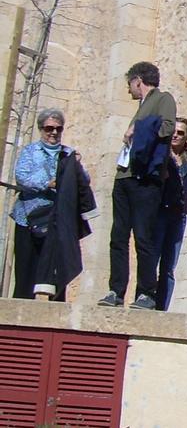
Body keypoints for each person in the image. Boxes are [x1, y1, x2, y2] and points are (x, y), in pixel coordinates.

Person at [100, 61, 177, 309]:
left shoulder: (162, 98)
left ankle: (146, 293)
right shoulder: (140, 106)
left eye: (130, 85)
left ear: (138, 81)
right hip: (124, 176)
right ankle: (115, 290)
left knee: (144, 237)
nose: (129, 91)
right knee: (118, 236)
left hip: (145, 179)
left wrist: (138, 129)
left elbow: (167, 127)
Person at [12, 108, 97, 300]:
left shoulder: (69, 154)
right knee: (26, 270)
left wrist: (76, 168)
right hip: (28, 218)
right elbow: (22, 177)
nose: (54, 133)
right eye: (49, 128)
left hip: (57, 220)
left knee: (57, 270)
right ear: (41, 129)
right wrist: (48, 182)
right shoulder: (30, 151)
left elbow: (83, 180)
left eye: (58, 129)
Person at [156, 117, 187, 311]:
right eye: (174, 131)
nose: (176, 135)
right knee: (151, 260)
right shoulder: (160, 156)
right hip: (159, 212)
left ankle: (162, 307)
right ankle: (147, 300)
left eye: (181, 133)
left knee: (168, 265)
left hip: (178, 215)